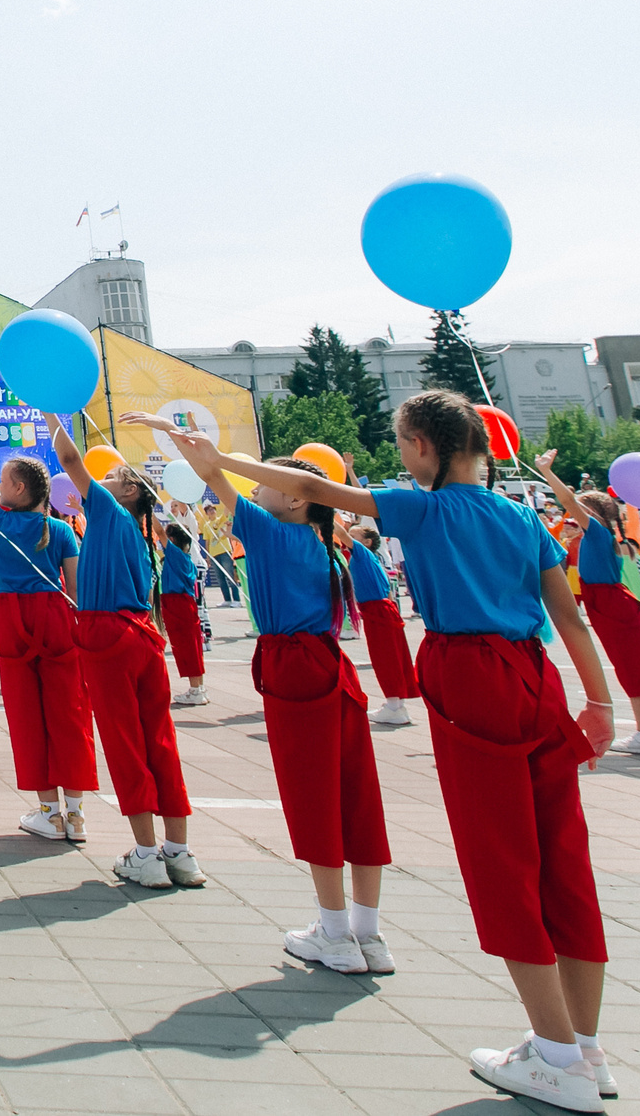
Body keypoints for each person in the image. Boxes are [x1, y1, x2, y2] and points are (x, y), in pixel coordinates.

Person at [205, 391, 618, 1113]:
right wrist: (601, 701)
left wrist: (217, 460)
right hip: (537, 675)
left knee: (505, 862)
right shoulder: (523, 517)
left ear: (423, 445)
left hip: (471, 675)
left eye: (402, 444)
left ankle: (556, 1059)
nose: (401, 458)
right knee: (563, 860)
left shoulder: (423, 506)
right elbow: (569, 617)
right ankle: (584, 1046)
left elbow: (307, 487)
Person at [138, 416, 390, 973]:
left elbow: (214, 474)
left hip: (295, 669)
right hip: (331, 667)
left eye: (267, 482)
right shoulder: (323, 543)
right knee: (357, 799)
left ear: (299, 500)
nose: (253, 488)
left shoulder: (273, 534)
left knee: (316, 802)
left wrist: (173, 432)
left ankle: (333, 933)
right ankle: (368, 934)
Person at [45, 416, 202, 888]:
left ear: (129, 491)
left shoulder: (111, 511)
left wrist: (53, 412)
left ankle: (147, 854)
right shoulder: (135, 530)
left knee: (124, 743)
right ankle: (179, 852)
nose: (103, 475)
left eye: (113, 474)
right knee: (160, 742)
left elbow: (70, 459)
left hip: (108, 636)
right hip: (141, 636)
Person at [0, 452, 94, 843]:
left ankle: (49, 813)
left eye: (2, 483)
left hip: (15, 617)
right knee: (70, 711)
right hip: (56, 617)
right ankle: (77, 814)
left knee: (26, 715)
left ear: (19, 488)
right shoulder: (63, 531)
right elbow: (76, 591)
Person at [534, 453, 640, 757]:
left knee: (634, 668)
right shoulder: (602, 534)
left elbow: (567, 500)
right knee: (635, 667)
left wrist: (546, 471)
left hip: (610, 601)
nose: (573, 513)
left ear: (592, 511)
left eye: (581, 506)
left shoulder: (596, 530)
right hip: (608, 601)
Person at [345, 524, 415, 727]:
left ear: (366, 541)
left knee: (386, 659)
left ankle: (395, 706)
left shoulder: (362, 554)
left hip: (378, 611)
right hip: (380, 609)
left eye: (354, 535)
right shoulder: (367, 558)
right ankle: (396, 704)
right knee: (391, 657)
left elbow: (339, 533)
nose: (349, 537)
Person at [156, 518, 207, 708]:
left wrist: (148, 509)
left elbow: (159, 532)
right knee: (192, 645)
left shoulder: (176, 555)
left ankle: (195, 690)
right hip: (185, 603)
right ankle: (199, 687)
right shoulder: (186, 559)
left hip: (177, 603)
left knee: (186, 647)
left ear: (173, 540)